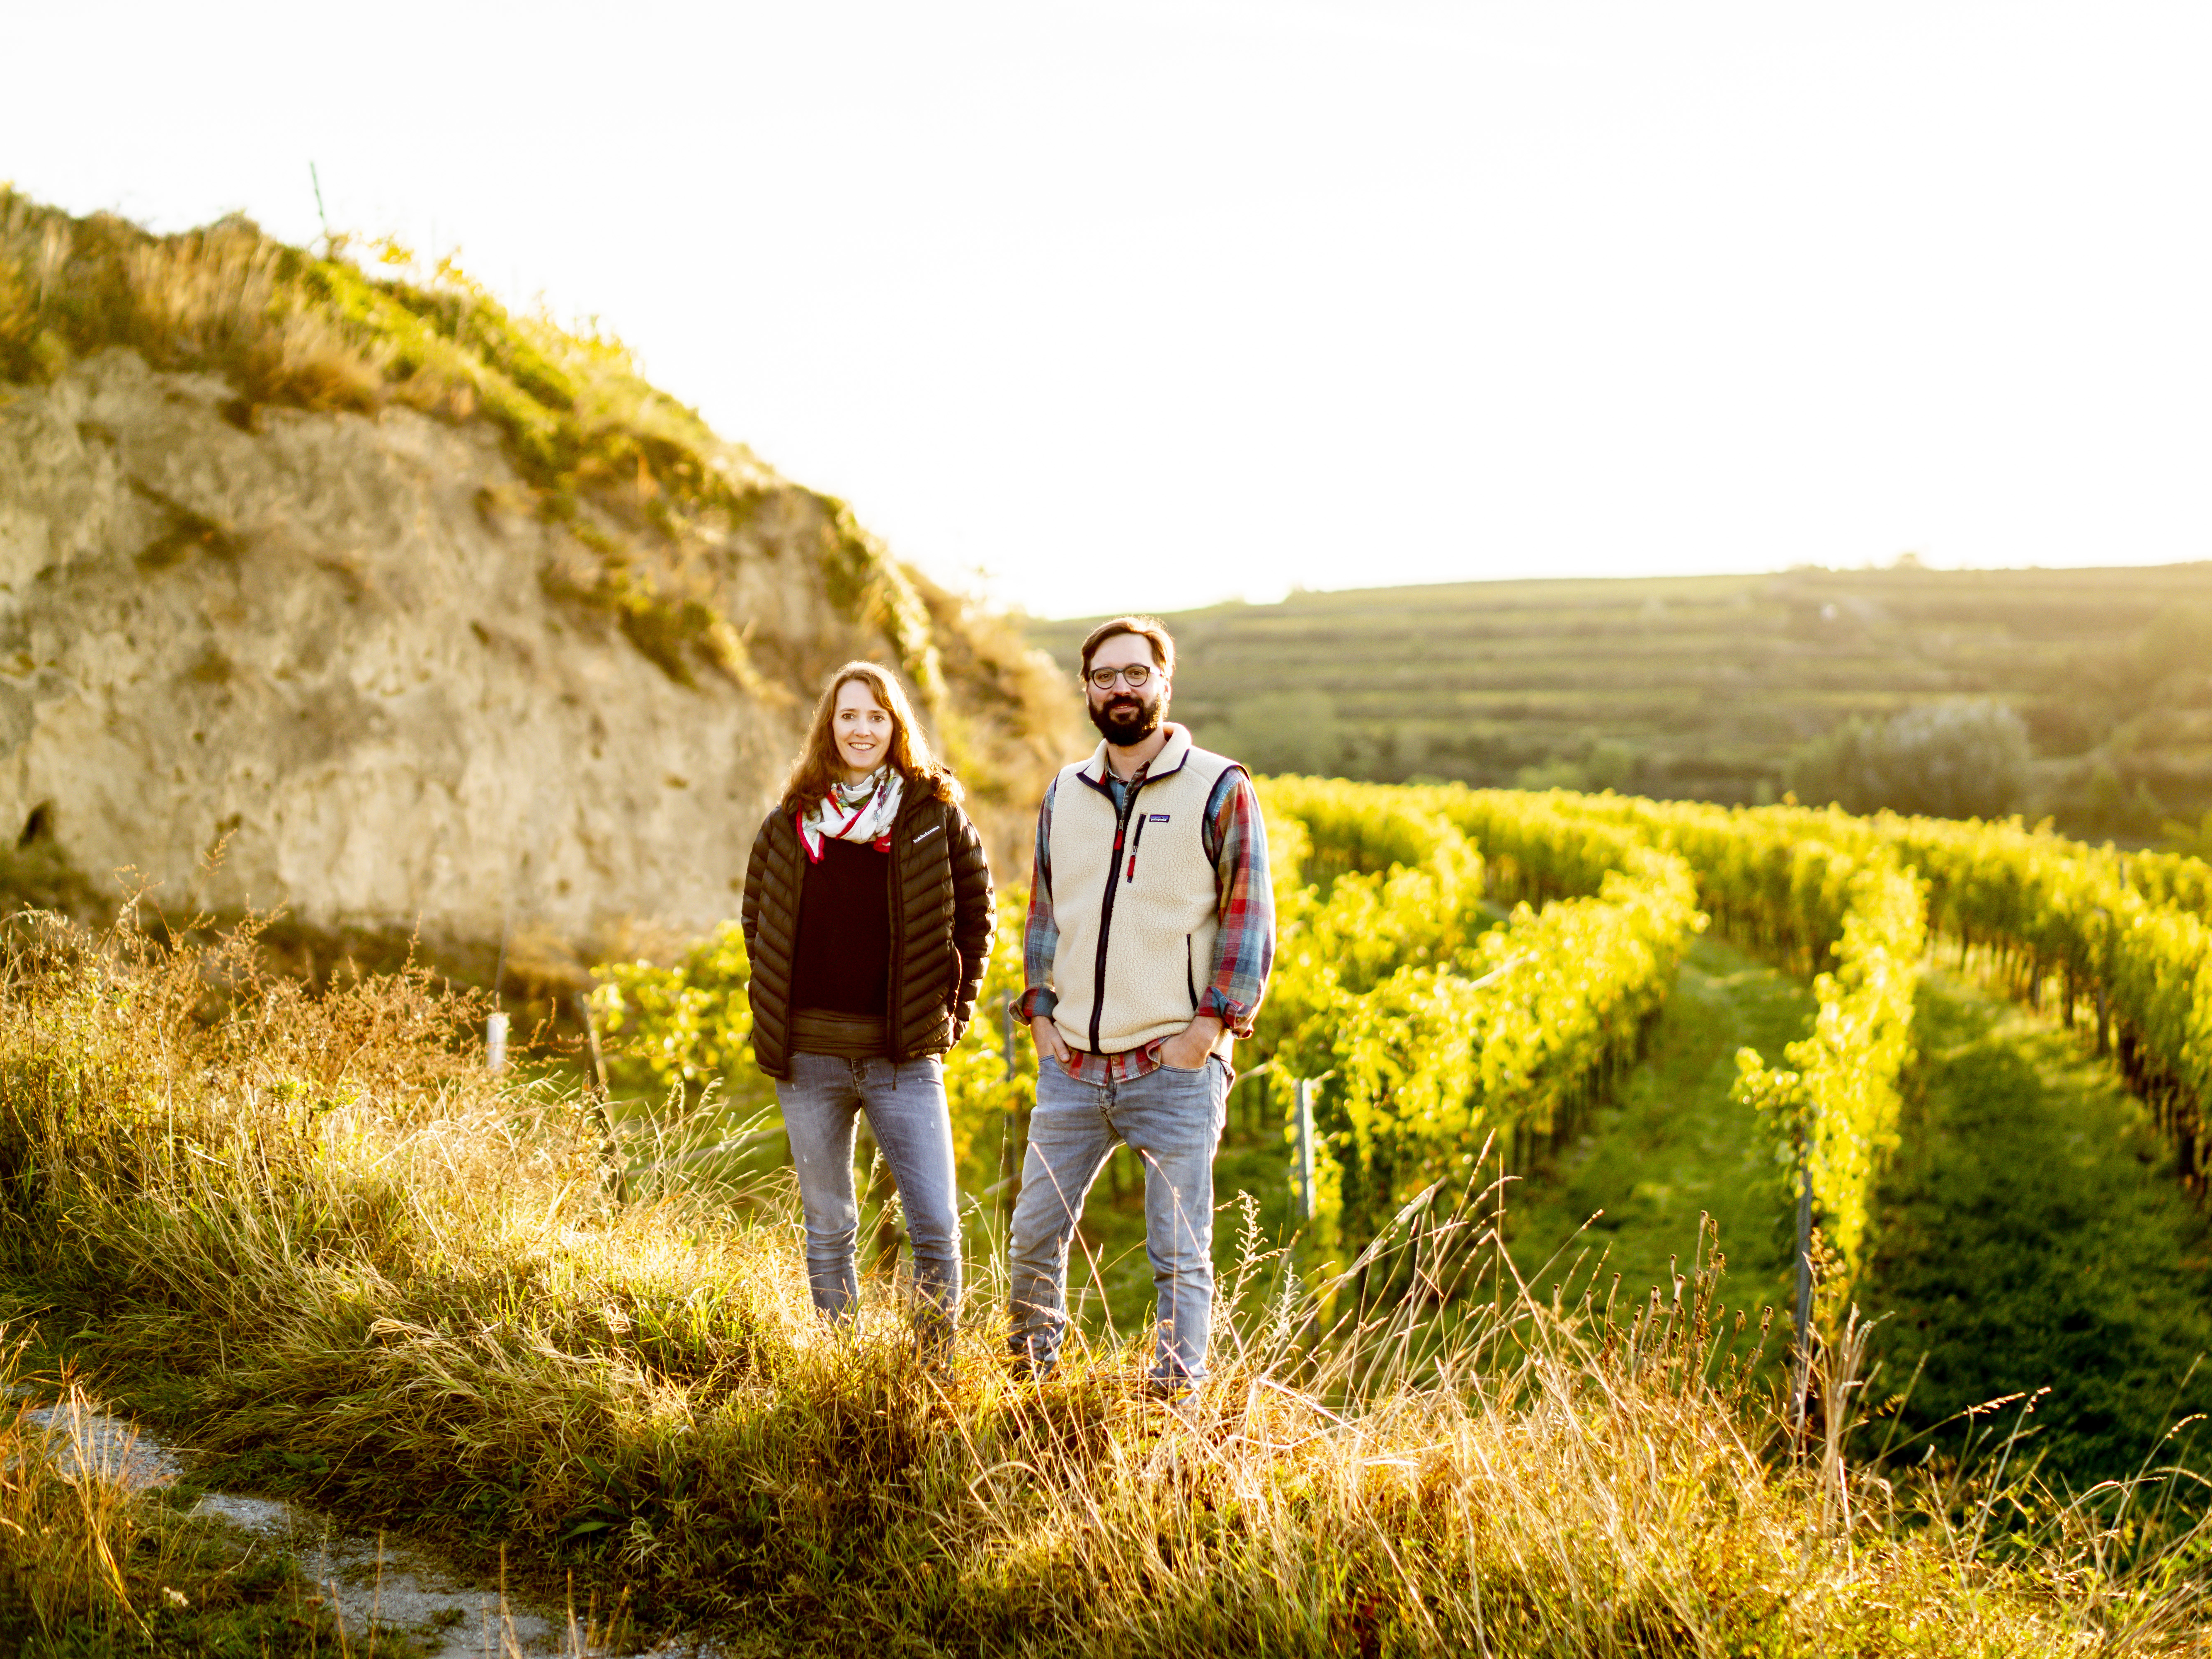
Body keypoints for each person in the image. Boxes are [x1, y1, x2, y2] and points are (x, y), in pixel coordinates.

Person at [1007, 616, 1275, 1397]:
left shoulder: (1221, 786)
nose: (1120, 689)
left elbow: (1248, 916)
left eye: (1135, 673)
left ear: (1165, 680)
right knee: (1032, 1238)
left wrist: (1208, 1029)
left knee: (1179, 1254)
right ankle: (1031, 1392)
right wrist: (1043, 1015)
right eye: (1104, 676)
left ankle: (1174, 1413)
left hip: (1174, 1067)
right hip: (1075, 1070)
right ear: (1086, 688)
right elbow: (1044, 911)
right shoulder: (1065, 790)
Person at [741, 661, 993, 1338]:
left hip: (903, 1057)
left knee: (935, 1224)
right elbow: (756, 919)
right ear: (831, 724)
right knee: (829, 1226)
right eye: (849, 715)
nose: (862, 728)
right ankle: (842, 1369)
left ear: (895, 726)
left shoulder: (933, 813)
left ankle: (930, 1376)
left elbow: (977, 916)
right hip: (809, 1059)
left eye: (876, 716)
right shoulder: (791, 819)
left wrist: (954, 1012)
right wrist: (776, 1009)